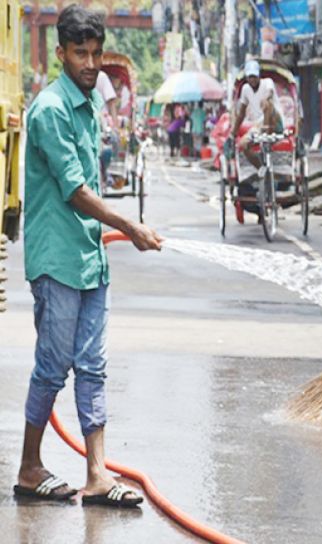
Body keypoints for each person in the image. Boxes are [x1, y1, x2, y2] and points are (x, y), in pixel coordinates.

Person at [15, 5, 162, 507]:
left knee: (93, 367)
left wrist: (114, 233)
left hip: (90, 258)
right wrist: (130, 226)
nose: (91, 63)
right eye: (81, 53)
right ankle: (29, 467)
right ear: (61, 53)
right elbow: (76, 190)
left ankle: (97, 474)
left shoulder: (89, 103)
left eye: (96, 53)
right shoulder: (50, 109)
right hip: (57, 259)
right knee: (53, 367)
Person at [232, 60, 284, 169]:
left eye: (255, 76)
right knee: (243, 145)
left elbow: (269, 93)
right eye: (250, 77)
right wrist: (233, 133)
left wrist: (265, 98)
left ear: (259, 75)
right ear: (246, 77)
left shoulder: (267, 82)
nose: (253, 80)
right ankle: (261, 168)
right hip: (258, 125)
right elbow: (241, 114)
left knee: (266, 104)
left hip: (275, 121)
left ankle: (265, 134)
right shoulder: (245, 89)